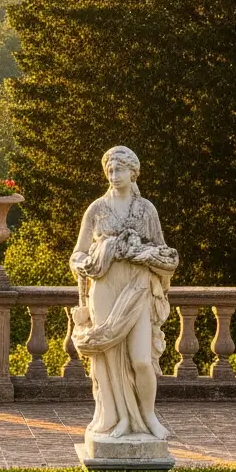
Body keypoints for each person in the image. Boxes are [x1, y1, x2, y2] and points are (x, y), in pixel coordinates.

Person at [70, 146, 179, 446]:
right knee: (108, 360)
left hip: (137, 289)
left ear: (133, 173)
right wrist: (88, 261)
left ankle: (148, 417)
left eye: (120, 170)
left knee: (141, 360)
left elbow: (165, 254)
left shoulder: (146, 210)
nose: (114, 176)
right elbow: (77, 254)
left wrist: (142, 253)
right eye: (110, 171)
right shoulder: (96, 209)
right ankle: (118, 419)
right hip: (104, 288)